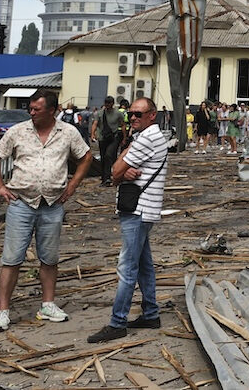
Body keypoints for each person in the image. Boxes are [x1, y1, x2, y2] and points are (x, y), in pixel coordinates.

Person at [0, 89, 92, 331]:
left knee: (49, 258)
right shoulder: (18, 131)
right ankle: (3, 311)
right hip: (21, 202)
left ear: (53, 110)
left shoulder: (68, 133)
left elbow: (86, 157)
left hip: (53, 204)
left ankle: (47, 304)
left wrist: (73, 184)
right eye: (30, 109)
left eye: (37, 109)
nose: (32, 113)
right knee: (12, 259)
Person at [87, 98, 170, 342]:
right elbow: (117, 170)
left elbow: (113, 170)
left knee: (127, 267)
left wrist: (122, 168)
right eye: (130, 115)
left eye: (138, 114)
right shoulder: (144, 137)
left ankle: (117, 322)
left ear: (152, 115)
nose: (132, 118)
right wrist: (122, 167)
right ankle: (151, 313)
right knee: (144, 265)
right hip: (144, 208)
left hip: (138, 209)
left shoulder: (146, 138)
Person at [92, 96, 124, 186]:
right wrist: (92, 134)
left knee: (108, 155)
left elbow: (123, 125)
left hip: (114, 137)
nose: (107, 105)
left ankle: (111, 176)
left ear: (112, 104)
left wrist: (124, 138)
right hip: (103, 138)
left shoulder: (117, 113)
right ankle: (105, 178)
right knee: (103, 158)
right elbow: (95, 123)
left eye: (109, 103)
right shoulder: (100, 113)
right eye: (106, 103)